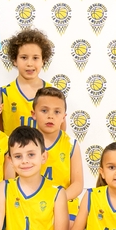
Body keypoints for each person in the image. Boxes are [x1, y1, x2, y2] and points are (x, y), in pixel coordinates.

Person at [32, 87, 83, 221]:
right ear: (33, 114)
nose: (50, 116)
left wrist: (57, 199)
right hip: (32, 203)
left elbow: (77, 184)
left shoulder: (71, 144)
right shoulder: (25, 143)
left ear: (63, 117)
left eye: (57, 112)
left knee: (69, 227)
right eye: (44, 111)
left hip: (65, 202)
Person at [0, 29, 53, 134]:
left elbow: (59, 130)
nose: (29, 63)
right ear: (15, 60)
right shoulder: (4, 93)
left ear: (43, 60)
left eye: (35, 58)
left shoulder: (51, 93)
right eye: (24, 57)